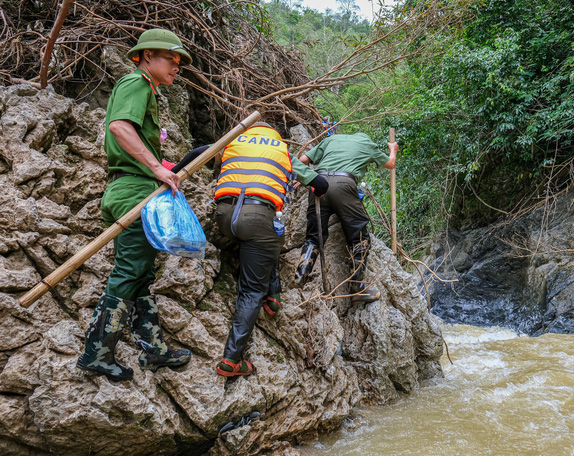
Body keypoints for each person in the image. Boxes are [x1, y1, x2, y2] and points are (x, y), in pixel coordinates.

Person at [76, 29, 194, 381]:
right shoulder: (136, 83)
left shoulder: (148, 90)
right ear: (144, 57)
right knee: (129, 272)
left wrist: (163, 168)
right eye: (170, 60)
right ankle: (96, 353)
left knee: (141, 274)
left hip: (137, 188)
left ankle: (154, 351)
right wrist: (157, 168)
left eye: (179, 63)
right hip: (133, 192)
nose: (176, 67)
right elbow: (119, 128)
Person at [214, 122, 329, 377]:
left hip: (223, 215)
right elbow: (320, 184)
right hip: (258, 218)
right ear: (274, 135)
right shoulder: (281, 151)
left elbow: (199, 156)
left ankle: (273, 296)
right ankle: (232, 360)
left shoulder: (234, 143)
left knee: (266, 244)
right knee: (252, 288)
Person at [293, 131, 398, 303]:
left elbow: (303, 161)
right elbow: (390, 164)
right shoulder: (368, 144)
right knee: (360, 238)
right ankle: (357, 288)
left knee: (313, 237)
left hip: (317, 182)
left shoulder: (330, 140)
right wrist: (393, 149)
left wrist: (303, 177)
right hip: (343, 185)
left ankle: (299, 279)